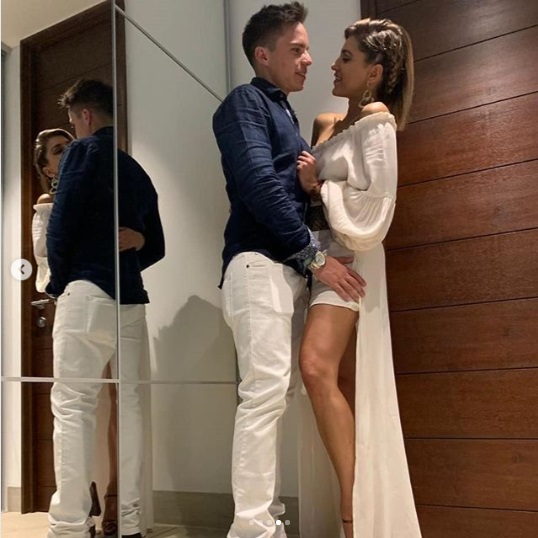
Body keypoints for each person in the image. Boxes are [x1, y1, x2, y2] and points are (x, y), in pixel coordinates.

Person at [212, 3, 365, 538]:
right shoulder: (245, 103)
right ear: (263, 54)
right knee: (264, 395)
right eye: (296, 49)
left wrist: (305, 188)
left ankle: (267, 521)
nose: (308, 59)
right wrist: (315, 256)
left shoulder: (284, 114)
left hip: (284, 267)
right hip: (259, 263)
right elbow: (255, 185)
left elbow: (273, 184)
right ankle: (253, 529)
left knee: (274, 396)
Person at [296, 18, 421, 538]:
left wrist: (317, 186)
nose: (333, 63)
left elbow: (377, 208)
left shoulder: (377, 121)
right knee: (336, 379)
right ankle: (349, 512)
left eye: (346, 57)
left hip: (351, 258)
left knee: (314, 367)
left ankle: (353, 513)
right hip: (315, 257)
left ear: (374, 72)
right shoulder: (326, 122)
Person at [46, 78, 165, 538]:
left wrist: (59, 283)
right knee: (130, 408)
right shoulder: (136, 171)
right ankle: (130, 523)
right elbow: (156, 245)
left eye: (74, 121)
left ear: (85, 115)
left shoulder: (83, 152)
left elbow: (61, 226)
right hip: (130, 299)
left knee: (73, 407)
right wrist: (136, 244)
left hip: (87, 289)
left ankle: (70, 526)